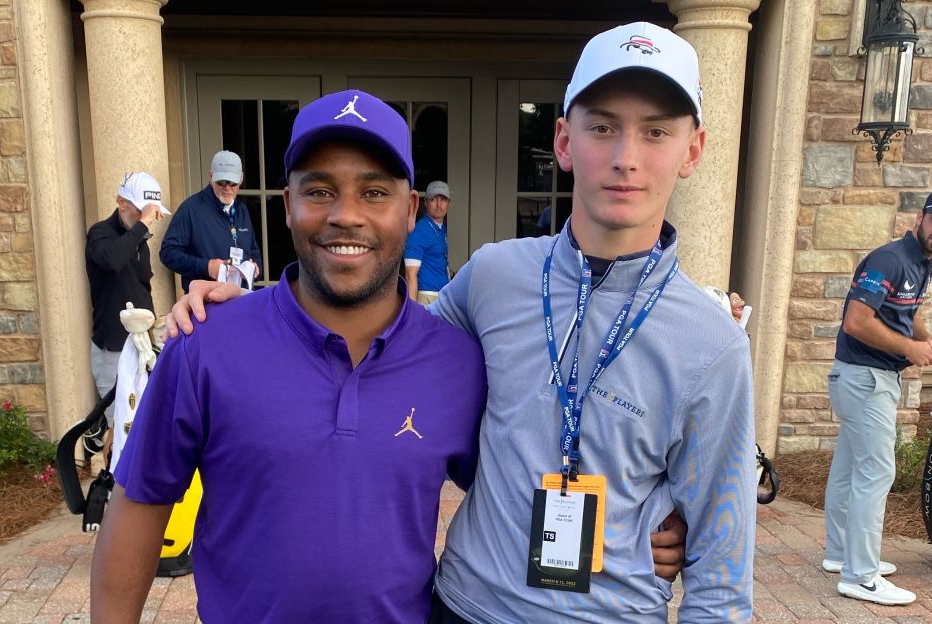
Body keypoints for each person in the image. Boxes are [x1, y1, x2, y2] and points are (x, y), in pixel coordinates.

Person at [168, 22, 751, 623]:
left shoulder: (712, 342)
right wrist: (258, 311)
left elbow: (723, 570)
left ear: (693, 149)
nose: (626, 157)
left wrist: (656, 513)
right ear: (564, 141)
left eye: (656, 131)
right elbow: (389, 342)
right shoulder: (493, 276)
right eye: (602, 126)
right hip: (463, 607)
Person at [91, 90, 489, 623]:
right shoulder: (206, 343)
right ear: (287, 206)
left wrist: (636, 527)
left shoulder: (455, 363)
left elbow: (510, 491)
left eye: (374, 192)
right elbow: (140, 504)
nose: (347, 216)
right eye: (321, 190)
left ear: (410, 209)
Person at [823, 183, 932, 606]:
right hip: (866, 379)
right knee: (877, 473)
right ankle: (861, 576)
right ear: (921, 217)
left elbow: (909, 314)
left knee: (850, 469)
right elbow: (856, 321)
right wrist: (909, 349)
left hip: (865, 379)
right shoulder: (890, 259)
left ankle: (839, 554)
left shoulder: (921, 263)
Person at [84, 171, 168, 442]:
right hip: (113, 350)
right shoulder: (100, 233)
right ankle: (112, 483)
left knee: (144, 425)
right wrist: (142, 225)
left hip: (140, 346)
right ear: (122, 202)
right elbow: (111, 260)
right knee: (119, 429)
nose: (148, 217)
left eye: (151, 212)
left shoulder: (138, 239)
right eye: (141, 210)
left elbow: (142, 288)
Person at [159, 150, 262, 294]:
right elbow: (168, 253)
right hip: (206, 302)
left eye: (232, 183)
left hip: (240, 297)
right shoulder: (190, 209)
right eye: (221, 182)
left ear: (241, 178)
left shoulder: (241, 209)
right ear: (211, 176)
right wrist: (206, 267)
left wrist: (255, 268)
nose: (227, 188)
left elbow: (253, 251)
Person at [404, 180, 451, 304]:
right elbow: (410, 275)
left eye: (443, 199)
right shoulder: (418, 231)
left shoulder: (440, 229)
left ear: (449, 204)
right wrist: (412, 312)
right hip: (427, 298)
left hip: (442, 295)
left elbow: (435, 260)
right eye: (433, 199)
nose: (439, 205)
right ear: (425, 202)